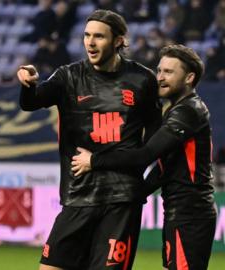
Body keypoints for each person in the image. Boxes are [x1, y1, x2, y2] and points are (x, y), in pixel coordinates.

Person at [16, 9, 162, 270]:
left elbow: (153, 144)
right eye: (86, 36)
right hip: (78, 194)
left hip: (121, 199)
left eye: (99, 37)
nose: (90, 43)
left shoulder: (142, 80)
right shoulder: (69, 76)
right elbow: (32, 103)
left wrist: (140, 186)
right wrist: (27, 86)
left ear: (118, 41)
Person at [71, 44, 216, 270]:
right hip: (181, 212)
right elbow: (163, 169)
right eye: (159, 71)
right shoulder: (179, 110)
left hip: (190, 214)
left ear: (189, 77)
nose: (159, 77)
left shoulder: (187, 111)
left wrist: (94, 161)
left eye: (169, 72)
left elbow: (145, 155)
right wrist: (135, 193)